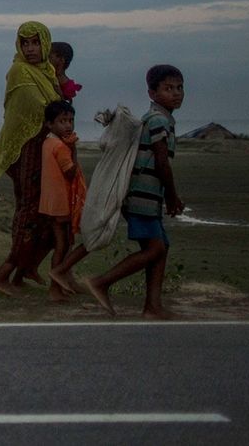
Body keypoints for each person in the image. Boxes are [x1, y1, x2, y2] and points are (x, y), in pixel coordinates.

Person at [85, 66, 186, 319]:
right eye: (168, 88)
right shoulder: (158, 120)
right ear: (152, 93)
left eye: (179, 88)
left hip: (148, 196)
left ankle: (152, 307)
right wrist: (172, 196)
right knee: (155, 249)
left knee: (161, 247)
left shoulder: (161, 118)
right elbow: (162, 162)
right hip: (142, 195)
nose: (176, 93)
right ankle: (101, 282)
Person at [0, 21, 62, 296]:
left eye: (35, 42)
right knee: (29, 211)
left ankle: (23, 271)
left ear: (45, 44)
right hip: (26, 151)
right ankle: (3, 274)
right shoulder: (19, 71)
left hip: (45, 151)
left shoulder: (48, 72)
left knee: (47, 215)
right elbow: (40, 110)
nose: (29, 49)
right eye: (25, 43)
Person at [37, 100, 85, 302]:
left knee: (61, 244)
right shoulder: (61, 147)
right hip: (61, 203)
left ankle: (61, 285)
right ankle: (55, 288)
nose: (68, 125)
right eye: (62, 121)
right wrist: (73, 148)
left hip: (50, 202)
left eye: (71, 120)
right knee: (63, 246)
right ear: (49, 124)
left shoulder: (48, 142)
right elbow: (71, 172)